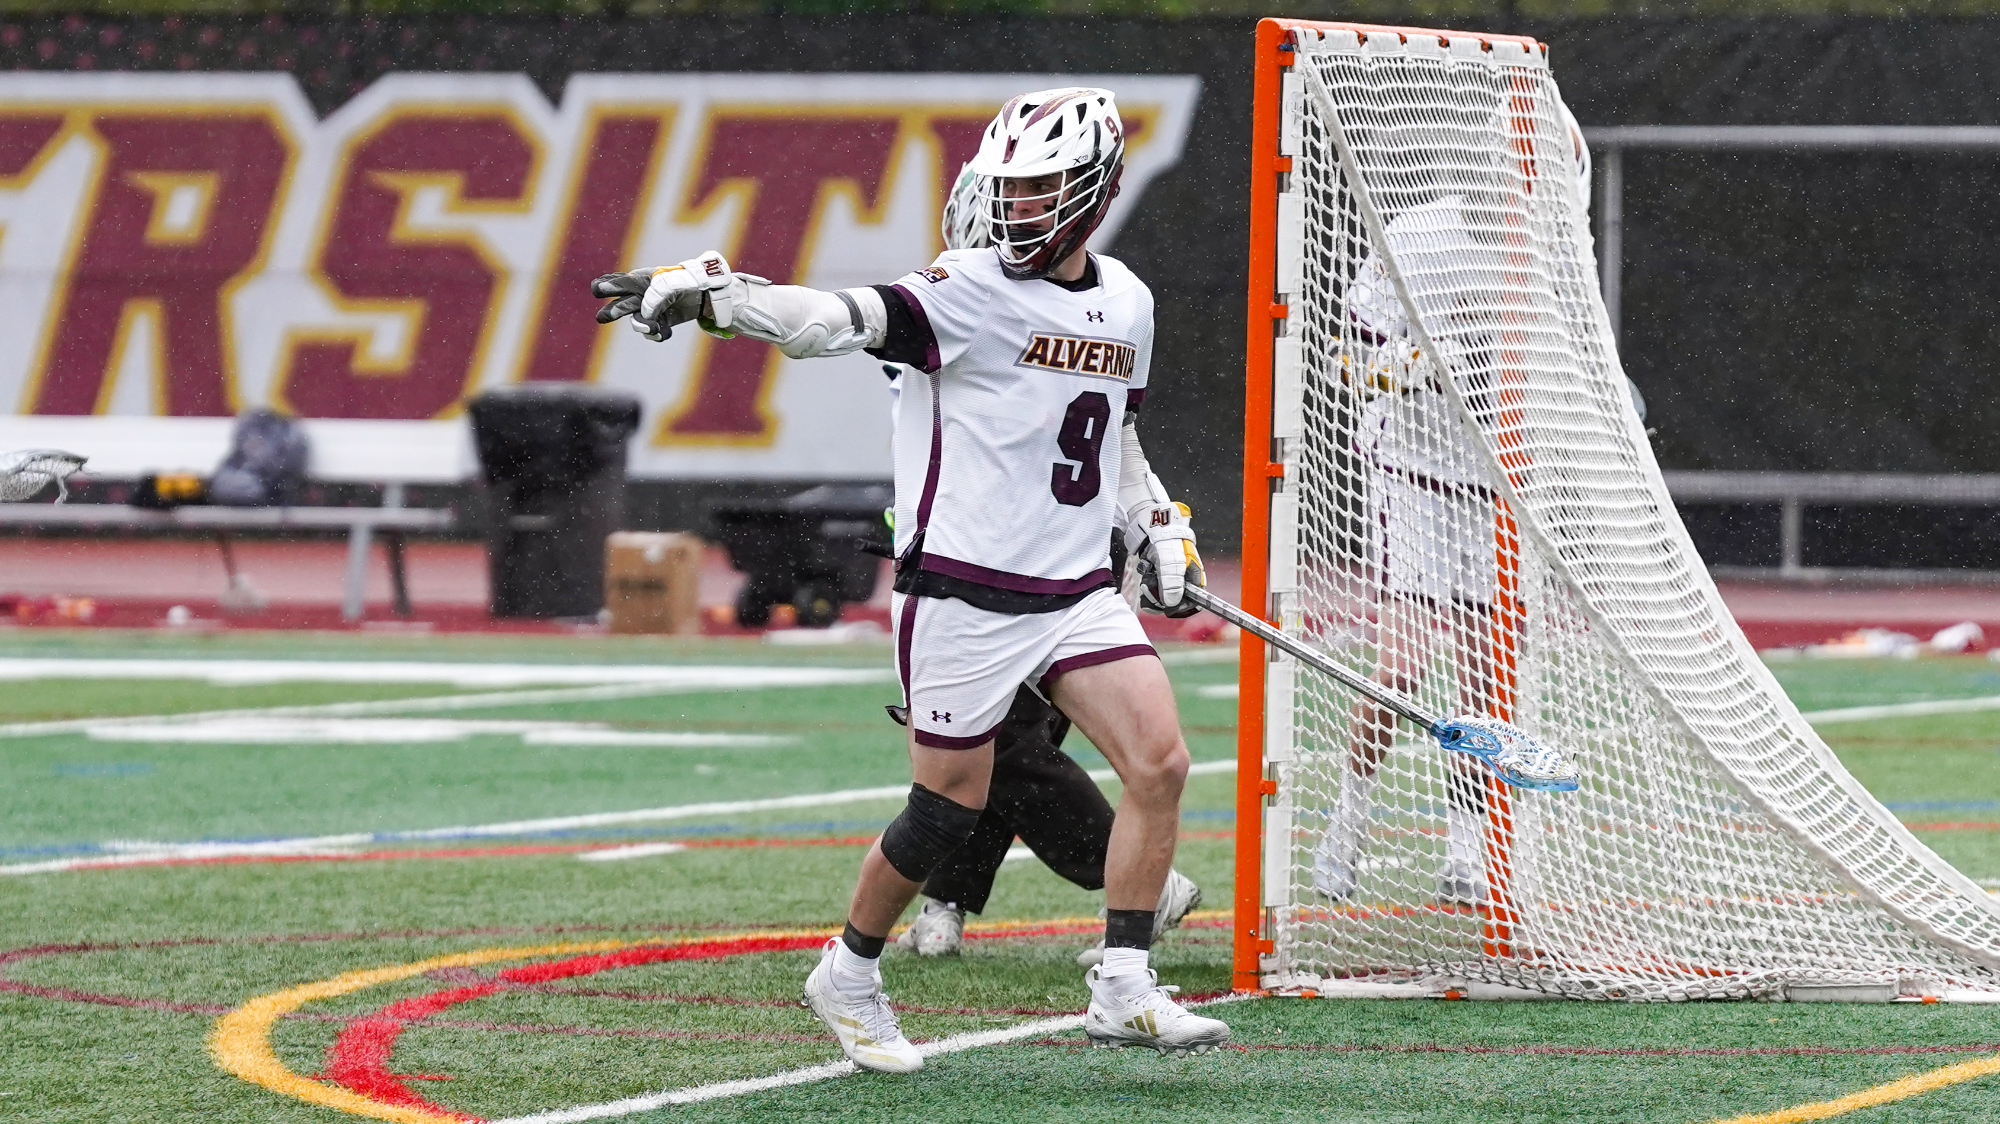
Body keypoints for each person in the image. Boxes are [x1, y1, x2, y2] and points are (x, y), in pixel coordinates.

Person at [592, 87, 1228, 1071]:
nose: (1017, 208)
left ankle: (1123, 980)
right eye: (1009, 190)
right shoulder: (966, 287)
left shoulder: (1126, 300)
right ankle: (845, 971)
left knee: (1159, 762)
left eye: (1041, 190)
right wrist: (725, 298)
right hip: (963, 589)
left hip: (1070, 586)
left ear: (1096, 189)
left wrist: (1159, 529)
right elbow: (834, 320)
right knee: (945, 808)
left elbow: (1119, 436)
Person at [890, 162, 1200, 966]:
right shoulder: (968, 306)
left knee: (1013, 742)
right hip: (985, 560)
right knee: (988, 742)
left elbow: (1111, 443)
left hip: (1063, 558)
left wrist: (1157, 525)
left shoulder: (1085, 309)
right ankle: (951, 894)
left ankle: (1134, 888)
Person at [1309, 92, 1600, 907]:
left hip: (1498, 487)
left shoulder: (1551, 253)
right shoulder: (1419, 237)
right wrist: (1394, 369)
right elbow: (1347, 357)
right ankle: (1349, 820)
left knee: (1484, 681)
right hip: (1411, 471)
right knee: (1401, 668)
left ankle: (1468, 849)